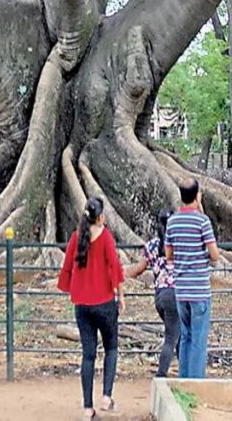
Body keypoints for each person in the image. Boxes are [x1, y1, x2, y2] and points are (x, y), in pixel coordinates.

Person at [58, 197, 125, 419]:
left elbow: (67, 268)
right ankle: (106, 396)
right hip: (105, 302)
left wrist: (71, 289)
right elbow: (115, 267)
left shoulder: (76, 238)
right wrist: (121, 296)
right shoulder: (105, 237)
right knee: (111, 347)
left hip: (82, 306)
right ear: (102, 217)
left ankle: (88, 408)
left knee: (88, 355)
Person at [165, 177, 219, 379]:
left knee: (185, 336)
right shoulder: (202, 222)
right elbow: (215, 254)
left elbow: (168, 254)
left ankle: (184, 378)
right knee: (198, 338)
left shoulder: (172, 222)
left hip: (181, 289)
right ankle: (196, 382)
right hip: (199, 290)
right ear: (197, 196)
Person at [126, 207, 179, 377]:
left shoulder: (152, 246)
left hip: (160, 296)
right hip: (176, 294)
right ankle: (162, 375)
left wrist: (119, 272)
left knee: (177, 334)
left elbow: (138, 270)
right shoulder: (180, 244)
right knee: (171, 337)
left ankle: (182, 372)